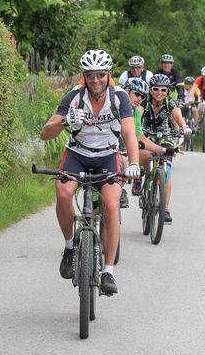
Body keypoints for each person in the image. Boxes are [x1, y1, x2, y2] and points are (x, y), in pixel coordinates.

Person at [40, 50, 141, 296]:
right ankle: (69, 248)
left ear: (108, 75)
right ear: (84, 77)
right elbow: (45, 132)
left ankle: (108, 271)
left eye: (100, 75)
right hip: (78, 153)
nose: (95, 80)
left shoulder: (119, 98)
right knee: (63, 194)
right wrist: (65, 122)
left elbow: (129, 134)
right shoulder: (74, 97)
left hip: (108, 154)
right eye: (90, 76)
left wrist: (134, 162)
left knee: (110, 204)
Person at [140, 73, 189, 222]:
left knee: (166, 170)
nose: (159, 93)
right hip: (146, 135)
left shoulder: (170, 103)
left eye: (163, 90)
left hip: (165, 137)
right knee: (144, 154)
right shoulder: (144, 102)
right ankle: (142, 177)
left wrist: (184, 127)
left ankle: (165, 208)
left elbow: (179, 117)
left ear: (167, 91)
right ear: (150, 90)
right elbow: (137, 115)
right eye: (155, 89)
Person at [119, 77, 148, 209]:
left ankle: (120, 189)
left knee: (124, 162)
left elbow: (138, 135)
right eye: (136, 94)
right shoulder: (111, 102)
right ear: (126, 91)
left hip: (120, 143)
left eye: (142, 96)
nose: (139, 99)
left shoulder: (135, 111)